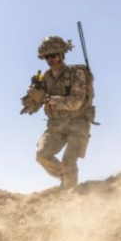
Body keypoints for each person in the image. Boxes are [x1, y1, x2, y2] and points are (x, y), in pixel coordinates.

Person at [21, 36, 95, 189]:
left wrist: (47, 99)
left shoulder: (77, 73)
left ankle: (71, 195)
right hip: (56, 126)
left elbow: (76, 102)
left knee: (69, 160)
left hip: (78, 124)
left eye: (53, 55)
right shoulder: (45, 78)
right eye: (47, 56)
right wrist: (33, 99)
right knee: (42, 155)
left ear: (61, 54)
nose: (50, 59)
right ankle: (66, 179)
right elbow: (35, 105)